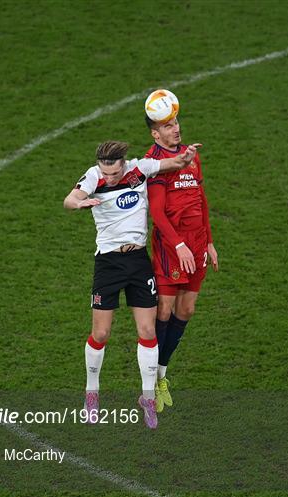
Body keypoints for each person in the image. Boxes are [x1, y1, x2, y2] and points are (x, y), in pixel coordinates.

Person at [64, 140, 200, 429]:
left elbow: (171, 164)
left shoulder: (140, 169)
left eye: (113, 174)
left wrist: (186, 156)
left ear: (123, 164)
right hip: (108, 265)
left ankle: (148, 398)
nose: (108, 178)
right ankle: (91, 394)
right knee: (100, 333)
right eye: (105, 173)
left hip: (138, 262)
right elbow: (70, 199)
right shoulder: (93, 175)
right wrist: (80, 202)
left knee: (148, 330)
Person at [144, 102, 219, 413]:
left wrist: (210, 242)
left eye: (176, 122)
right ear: (155, 133)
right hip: (171, 248)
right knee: (164, 311)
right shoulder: (155, 163)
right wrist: (178, 246)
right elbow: (157, 213)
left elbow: (200, 197)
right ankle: (150, 382)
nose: (176, 129)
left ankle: (161, 373)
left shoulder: (191, 154)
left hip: (197, 243)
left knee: (186, 310)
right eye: (168, 126)